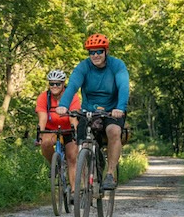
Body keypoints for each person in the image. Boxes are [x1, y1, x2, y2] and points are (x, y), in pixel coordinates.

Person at [55, 33, 129, 190]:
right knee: (81, 141)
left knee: (114, 131)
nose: (95, 55)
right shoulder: (83, 67)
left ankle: (109, 174)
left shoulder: (117, 65)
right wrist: (63, 105)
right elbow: (73, 85)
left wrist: (120, 108)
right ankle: (84, 179)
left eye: (99, 51)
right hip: (89, 110)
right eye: (91, 52)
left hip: (112, 110)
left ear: (106, 51)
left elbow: (123, 87)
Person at [36, 69, 81, 193]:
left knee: (72, 156)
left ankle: (74, 191)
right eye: (52, 83)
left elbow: (73, 117)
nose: (54, 86)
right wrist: (40, 135)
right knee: (45, 144)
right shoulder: (44, 97)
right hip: (52, 129)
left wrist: (75, 133)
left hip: (68, 129)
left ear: (63, 84)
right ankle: (54, 165)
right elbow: (43, 117)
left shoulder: (72, 96)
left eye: (58, 84)